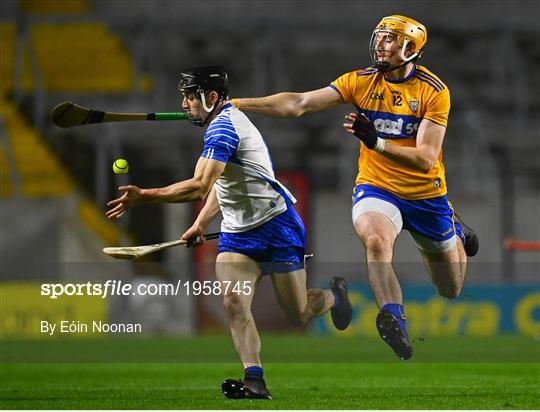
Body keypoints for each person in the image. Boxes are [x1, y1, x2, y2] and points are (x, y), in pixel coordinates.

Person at [230, 15, 479, 360]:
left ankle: (454, 229)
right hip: (377, 187)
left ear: (410, 48)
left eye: (390, 40)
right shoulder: (360, 81)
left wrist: (377, 143)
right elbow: (298, 103)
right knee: (376, 241)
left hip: (426, 195)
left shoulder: (434, 92)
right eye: (379, 37)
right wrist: (239, 104)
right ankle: (393, 316)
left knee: (450, 288)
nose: (381, 44)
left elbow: (425, 158)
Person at [105, 66, 353, 399]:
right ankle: (254, 380)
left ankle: (336, 296)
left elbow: (199, 186)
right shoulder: (218, 124)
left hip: (277, 225)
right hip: (237, 233)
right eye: (182, 97)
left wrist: (144, 196)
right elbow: (223, 185)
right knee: (233, 302)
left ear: (210, 98)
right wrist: (201, 223)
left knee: (297, 314)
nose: (184, 104)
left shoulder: (223, 128)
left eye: (190, 97)